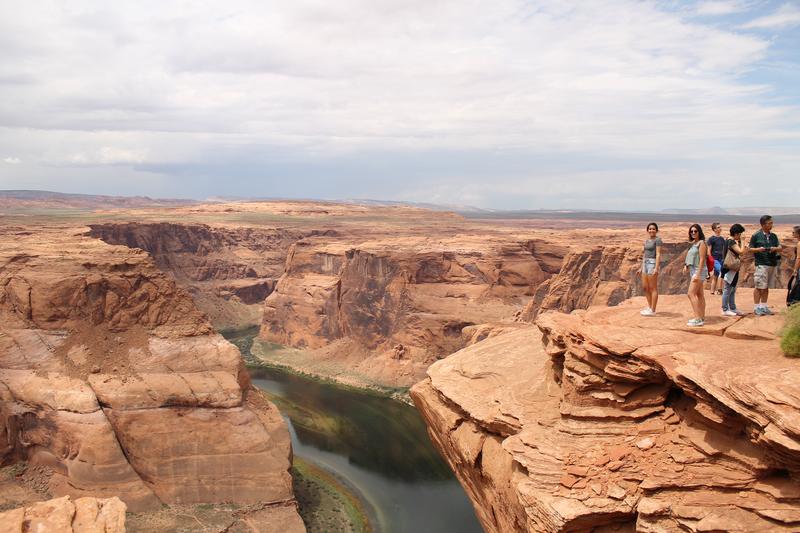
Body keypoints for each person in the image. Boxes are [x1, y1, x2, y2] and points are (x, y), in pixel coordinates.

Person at [749, 215, 784, 316]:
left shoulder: (773, 236)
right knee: (759, 286)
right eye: (769, 223)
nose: (771, 225)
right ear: (763, 224)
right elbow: (750, 249)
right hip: (761, 264)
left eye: (772, 223)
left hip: (772, 264)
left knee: (766, 287)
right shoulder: (756, 235)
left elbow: (780, 247)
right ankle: (756, 308)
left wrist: (775, 248)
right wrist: (758, 249)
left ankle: (763, 307)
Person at [683, 224, 707, 326]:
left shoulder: (701, 243)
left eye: (695, 231)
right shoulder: (694, 243)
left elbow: (702, 259)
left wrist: (697, 274)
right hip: (694, 270)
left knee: (690, 294)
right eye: (691, 231)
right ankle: (701, 317)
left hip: (698, 270)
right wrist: (686, 265)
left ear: (699, 232)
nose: (693, 233)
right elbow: (692, 257)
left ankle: (697, 319)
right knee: (699, 294)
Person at [720, 224, 746, 316]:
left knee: (732, 289)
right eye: (740, 234)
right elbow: (741, 252)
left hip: (731, 267)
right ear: (736, 234)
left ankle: (733, 308)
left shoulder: (728, 240)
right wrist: (742, 241)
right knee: (728, 289)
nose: (740, 236)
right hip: (730, 268)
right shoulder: (731, 242)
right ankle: (725, 309)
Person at [639, 222, 662, 316]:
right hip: (645, 264)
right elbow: (644, 254)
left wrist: (656, 268)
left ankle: (653, 310)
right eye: (650, 229)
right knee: (645, 287)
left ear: (656, 230)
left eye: (653, 229)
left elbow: (658, 254)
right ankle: (649, 307)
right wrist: (641, 267)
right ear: (647, 230)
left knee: (653, 288)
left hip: (652, 264)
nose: (651, 230)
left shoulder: (658, 240)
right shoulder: (646, 241)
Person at [707, 222, 725, 295]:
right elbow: (709, 250)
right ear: (714, 229)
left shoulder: (722, 239)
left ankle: (712, 292)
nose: (720, 228)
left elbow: (724, 249)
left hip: (721, 259)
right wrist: (711, 260)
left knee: (715, 275)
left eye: (720, 227)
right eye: (718, 227)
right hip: (715, 259)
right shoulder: (711, 239)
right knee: (722, 271)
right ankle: (720, 289)